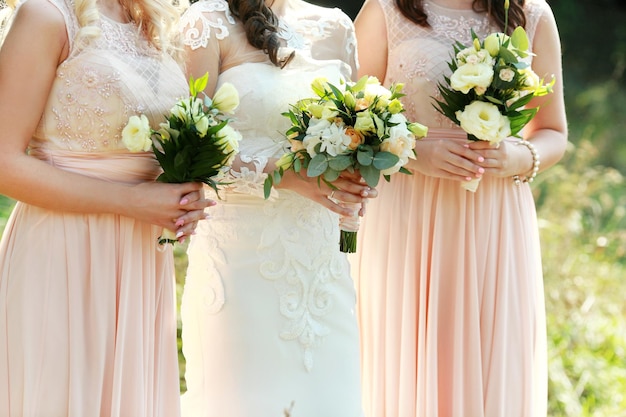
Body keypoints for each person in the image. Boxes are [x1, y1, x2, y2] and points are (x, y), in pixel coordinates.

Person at [349, 0, 568, 416]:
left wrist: (518, 158)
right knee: (405, 356)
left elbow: (554, 131)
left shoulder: (530, 13)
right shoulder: (386, 9)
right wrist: (414, 152)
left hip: (494, 219)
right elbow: (350, 120)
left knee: (489, 354)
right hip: (407, 218)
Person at [0, 0, 213, 415]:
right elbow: (3, 163)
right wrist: (132, 201)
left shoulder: (153, 22)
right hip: (63, 255)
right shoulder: (46, 15)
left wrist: (183, 191)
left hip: (139, 258)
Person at [177, 0, 376, 415]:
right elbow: (187, 151)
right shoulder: (206, 24)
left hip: (323, 269)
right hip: (241, 267)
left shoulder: (336, 26)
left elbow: (354, 136)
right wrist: (285, 174)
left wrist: (358, 176)